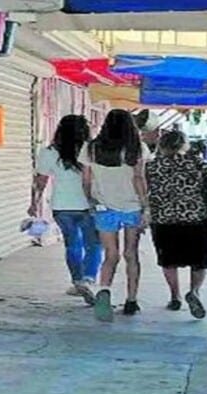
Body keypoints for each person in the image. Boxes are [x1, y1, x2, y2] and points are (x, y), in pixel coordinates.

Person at [81, 109, 151, 322]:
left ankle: (104, 290)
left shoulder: (91, 148)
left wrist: (90, 201)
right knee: (131, 254)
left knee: (111, 254)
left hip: (103, 206)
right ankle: (131, 300)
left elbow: (86, 179)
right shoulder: (137, 148)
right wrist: (146, 206)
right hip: (131, 206)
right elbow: (139, 178)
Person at [30, 115, 100, 305]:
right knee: (94, 244)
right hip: (89, 204)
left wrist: (34, 203)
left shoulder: (49, 152)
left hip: (62, 206)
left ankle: (77, 281)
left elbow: (40, 181)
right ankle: (88, 279)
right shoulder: (92, 150)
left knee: (72, 244)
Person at [146, 131, 207, 319]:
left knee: (168, 260)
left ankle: (174, 296)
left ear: (162, 145)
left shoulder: (153, 166)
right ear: (185, 144)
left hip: (164, 219)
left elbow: (145, 188)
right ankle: (194, 291)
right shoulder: (199, 163)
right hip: (196, 218)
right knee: (199, 261)